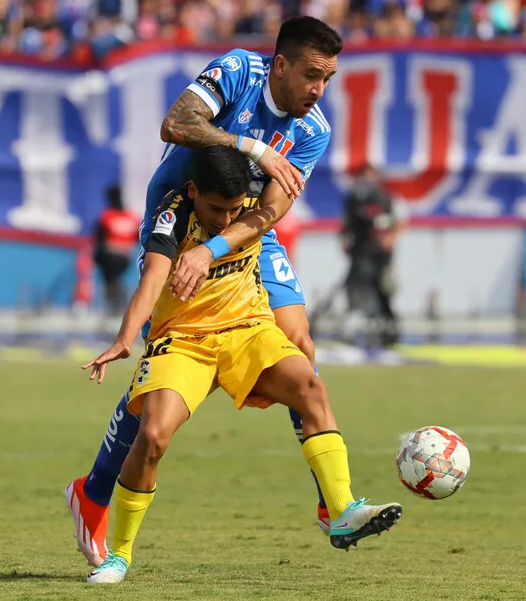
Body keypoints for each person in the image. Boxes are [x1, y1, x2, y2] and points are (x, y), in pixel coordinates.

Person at [64, 15, 344, 568]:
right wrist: (254, 149)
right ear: (281, 65)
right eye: (312, 75)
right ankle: (94, 491)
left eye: (328, 79)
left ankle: (331, 503)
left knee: (301, 347)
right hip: (180, 221)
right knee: (165, 374)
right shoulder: (239, 70)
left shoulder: (314, 132)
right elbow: (176, 123)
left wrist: (215, 250)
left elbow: (271, 212)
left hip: (244, 231)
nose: (319, 90)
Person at [81, 146, 402, 584]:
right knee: (153, 435)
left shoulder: (257, 203)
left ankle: (342, 508)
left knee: (309, 384)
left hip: (247, 328)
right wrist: (122, 339)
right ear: (193, 191)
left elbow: (276, 204)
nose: (225, 221)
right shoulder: (171, 215)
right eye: (215, 209)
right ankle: (118, 556)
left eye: (233, 211)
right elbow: (154, 277)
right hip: (183, 340)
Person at [341, 164, 404, 347]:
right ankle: (357, 327)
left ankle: (386, 329)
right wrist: (346, 238)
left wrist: (389, 239)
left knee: (383, 290)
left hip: (380, 255)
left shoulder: (386, 198)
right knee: (358, 287)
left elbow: (396, 222)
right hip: (361, 252)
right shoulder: (355, 198)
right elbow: (349, 223)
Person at [93, 184, 140, 315]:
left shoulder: (106, 217)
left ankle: (114, 307)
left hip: (109, 256)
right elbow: (138, 237)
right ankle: (118, 306)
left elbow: (99, 239)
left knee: (111, 281)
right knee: (115, 280)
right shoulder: (132, 217)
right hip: (125, 258)